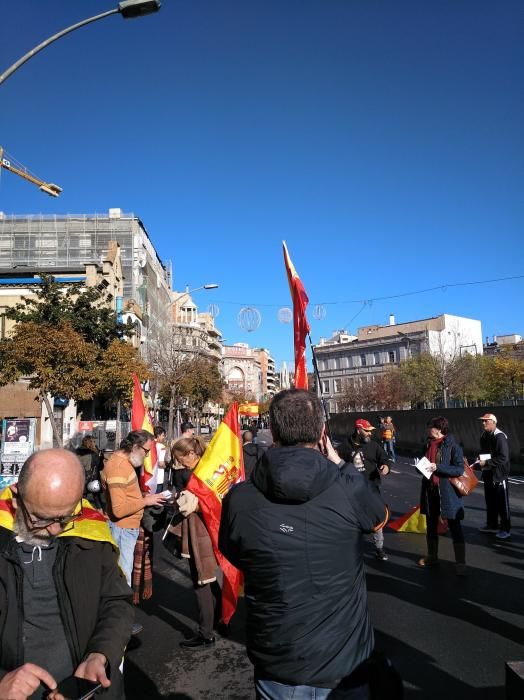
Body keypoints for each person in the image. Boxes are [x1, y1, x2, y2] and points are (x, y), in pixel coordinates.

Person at [219, 389, 389, 699]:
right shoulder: (347, 489)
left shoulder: (240, 498)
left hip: (277, 660)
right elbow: (378, 517)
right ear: (323, 433)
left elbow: (233, 552)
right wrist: (339, 463)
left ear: (273, 430)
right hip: (344, 664)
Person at [0, 448, 133, 700]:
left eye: (64, 517)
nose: (52, 530)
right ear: (17, 497)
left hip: (84, 692)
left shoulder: (91, 532)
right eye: (40, 518)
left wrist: (100, 654)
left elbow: (117, 602)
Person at [170, 437, 221, 650]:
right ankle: (221, 617)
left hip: (198, 532)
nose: (179, 462)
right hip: (209, 530)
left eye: (180, 458)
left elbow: (192, 506)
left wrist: (179, 501)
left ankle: (206, 634)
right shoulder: (208, 470)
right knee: (208, 579)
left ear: (191, 454)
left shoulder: (197, 476)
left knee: (201, 581)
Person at [101, 430, 167, 586]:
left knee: (122, 577)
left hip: (126, 529)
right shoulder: (118, 468)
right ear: (136, 447)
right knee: (122, 580)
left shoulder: (124, 463)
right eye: (146, 451)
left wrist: (142, 497)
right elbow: (119, 510)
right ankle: (122, 608)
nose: (147, 455)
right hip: (122, 530)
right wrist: (146, 501)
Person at [418, 416, 467, 576]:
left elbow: (459, 469)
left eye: (430, 427)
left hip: (448, 493)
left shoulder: (453, 446)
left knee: (454, 526)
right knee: (431, 525)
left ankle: (460, 563)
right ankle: (432, 556)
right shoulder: (427, 443)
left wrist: (437, 467)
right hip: (430, 490)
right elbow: (423, 463)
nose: (428, 430)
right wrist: (420, 467)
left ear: (439, 429)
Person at [339, 418, 391, 561]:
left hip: (372, 488)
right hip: (352, 491)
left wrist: (385, 467)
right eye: (367, 431)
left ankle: (379, 548)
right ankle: (354, 548)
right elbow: (336, 464)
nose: (369, 434)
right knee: (353, 520)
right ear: (358, 430)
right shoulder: (345, 447)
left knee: (377, 518)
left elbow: (384, 459)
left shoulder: (374, 446)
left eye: (370, 431)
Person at [477, 413, 511, 540]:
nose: (483, 423)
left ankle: (505, 529)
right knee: (490, 501)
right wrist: (478, 461)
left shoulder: (499, 436)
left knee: (502, 503)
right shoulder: (484, 435)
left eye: (486, 421)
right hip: (488, 473)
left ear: (493, 422)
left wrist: (486, 462)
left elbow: (503, 457)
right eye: (483, 421)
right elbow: (483, 452)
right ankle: (492, 525)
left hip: (499, 475)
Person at [74, 434, 104, 510]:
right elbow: (100, 467)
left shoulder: (76, 452)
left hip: (81, 479)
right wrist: (101, 457)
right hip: (93, 479)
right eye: (94, 442)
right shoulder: (94, 454)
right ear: (90, 443)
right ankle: (101, 514)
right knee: (97, 499)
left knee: (81, 500)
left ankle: (80, 516)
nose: (95, 443)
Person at [153, 426, 168, 493]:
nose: (163, 437)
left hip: (148, 477)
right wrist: (166, 466)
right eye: (163, 435)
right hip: (158, 477)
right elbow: (161, 463)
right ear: (158, 435)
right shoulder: (161, 447)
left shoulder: (149, 445)